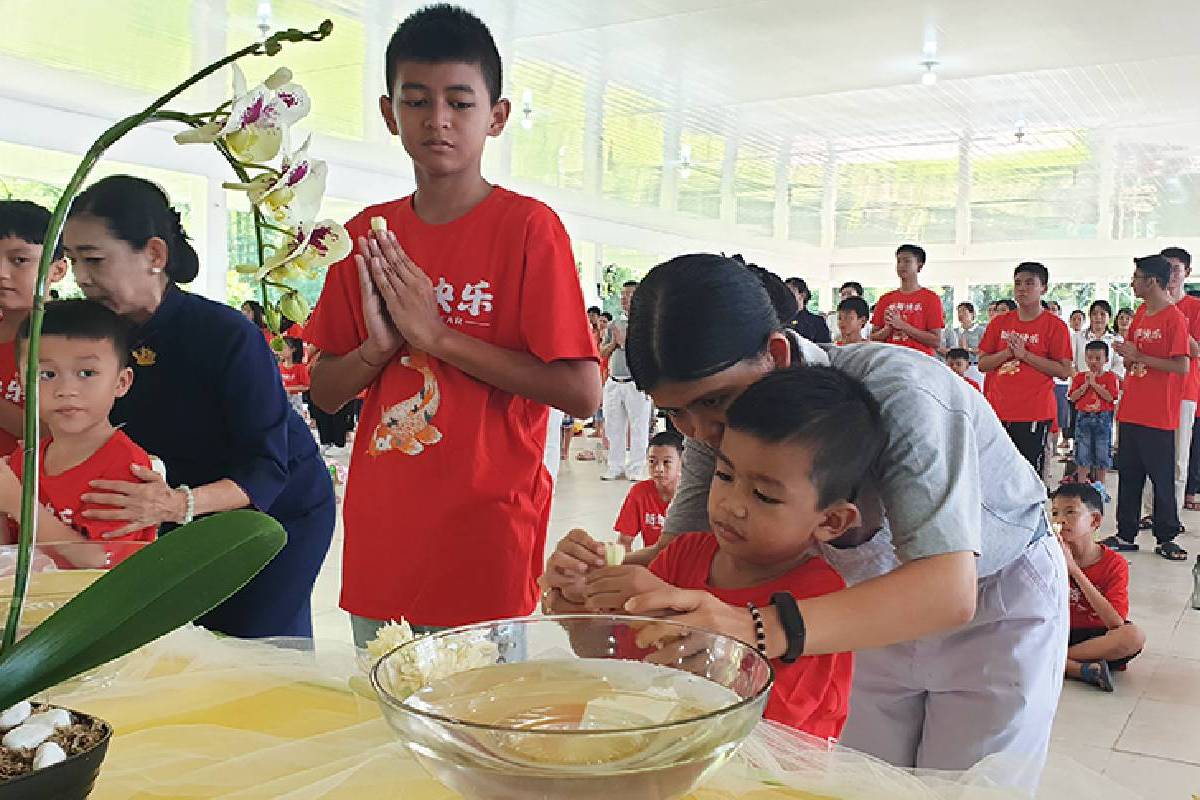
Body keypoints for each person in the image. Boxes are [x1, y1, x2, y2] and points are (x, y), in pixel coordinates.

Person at [544, 254, 1065, 786]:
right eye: (674, 413)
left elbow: (946, 592)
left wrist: (752, 628)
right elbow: (686, 557)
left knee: (968, 789)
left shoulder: (900, 392)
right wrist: (594, 585)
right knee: (866, 783)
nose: (699, 433)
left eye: (712, 402)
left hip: (992, 598)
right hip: (857, 604)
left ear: (773, 354)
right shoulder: (721, 421)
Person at [305, 5, 600, 645]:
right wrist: (378, 350)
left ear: (496, 117)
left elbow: (582, 390)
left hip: (486, 527)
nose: (437, 119)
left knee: (481, 727)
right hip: (385, 528)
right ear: (390, 114)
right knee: (384, 709)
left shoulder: (527, 230)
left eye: (459, 102)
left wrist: (438, 338)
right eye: (417, 101)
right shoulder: (364, 237)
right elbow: (324, 390)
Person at [61, 174, 336, 638]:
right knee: (180, 642)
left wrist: (176, 503)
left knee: (254, 646)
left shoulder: (224, 334)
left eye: (94, 260)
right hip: (166, 507)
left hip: (272, 509)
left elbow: (267, 466)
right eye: (71, 262)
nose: (81, 278)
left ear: (154, 255)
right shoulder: (96, 333)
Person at [566, 368, 860, 739]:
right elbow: (620, 661)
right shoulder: (684, 554)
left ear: (832, 521)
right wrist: (578, 608)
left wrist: (678, 623)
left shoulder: (820, 599)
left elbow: (774, 732)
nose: (732, 505)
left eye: (765, 496)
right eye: (724, 475)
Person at [0, 300, 156, 569]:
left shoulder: (125, 466)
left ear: (121, 382)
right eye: (47, 374)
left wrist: (18, 502)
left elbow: (97, 559)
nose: (66, 389)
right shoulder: (24, 458)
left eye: (86, 373)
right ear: (23, 383)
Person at [1107, 255, 1191, 561]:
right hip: (1131, 409)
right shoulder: (1141, 313)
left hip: (1159, 413)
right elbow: (1132, 359)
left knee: (1161, 477)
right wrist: (1129, 355)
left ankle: (1166, 535)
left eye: (1137, 277)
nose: (1133, 283)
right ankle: (1125, 533)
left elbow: (1181, 365)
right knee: (1129, 474)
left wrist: (1139, 356)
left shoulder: (1174, 318)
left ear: (1152, 281)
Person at [978, 263, 1073, 474]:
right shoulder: (999, 323)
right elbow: (983, 364)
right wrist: (1007, 354)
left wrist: (1026, 355)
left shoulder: (1055, 326)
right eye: (1018, 283)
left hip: (1034, 413)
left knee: (1029, 476)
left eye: (1030, 283)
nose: (1022, 289)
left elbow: (1064, 370)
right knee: (996, 475)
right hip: (998, 411)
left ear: (1044, 288)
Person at [1051, 484, 1144, 693]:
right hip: (1058, 630)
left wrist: (1074, 570)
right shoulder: (1047, 556)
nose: (1060, 520)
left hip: (1094, 639)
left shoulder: (1114, 563)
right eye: (1055, 513)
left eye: (1070, 512)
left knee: (1133, 636)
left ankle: (1058, 660)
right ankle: (1077, 668)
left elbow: (1115, 622)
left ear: (1094, 521)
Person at [0, 201, 69, 459]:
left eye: (19, 260)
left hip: (24, 491)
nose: (1, 273)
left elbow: (57, 433)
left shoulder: (69, 338)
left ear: (58, 270)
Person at [1138, 247, 1200, 524]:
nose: (1172, 274)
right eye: (1167, 268)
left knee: (1176, 459)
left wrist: (1172, 314)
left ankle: (1169, 516)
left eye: (1176, 269)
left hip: (1182, 390)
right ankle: (1151, 512)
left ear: (1187, 272)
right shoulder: (1146, 307)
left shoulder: (1193, 309)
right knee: (1150, 456)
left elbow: (1195, 350)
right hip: (1148, 390)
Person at [601, 280, 653, 481]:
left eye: (629, 295)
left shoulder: (645, 325)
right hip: (615, 382)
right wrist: (615, 342)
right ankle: (615, 465)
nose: (624, 299)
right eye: (622, 296)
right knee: (613, 426)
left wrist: (626, 344)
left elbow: (648, 353)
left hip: (636, 383)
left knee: (639, 427)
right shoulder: (615, 324)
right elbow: (602, 352)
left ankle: (636, 468)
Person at [613, 430, 683, 551]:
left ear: (681, 463)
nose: (659, 468)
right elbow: (624, 541)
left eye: (667, 462)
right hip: (651, 564)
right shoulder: (639, 492)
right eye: (652, 461)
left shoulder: (692, 495)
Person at [869, 244, 944, 355]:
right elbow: (873, 337)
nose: (901, 265)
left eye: (907, 261)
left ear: (919, 266)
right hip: (890, 359)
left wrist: (903, 325)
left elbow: (936, 341)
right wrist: (887, 329)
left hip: (920, 361)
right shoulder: (885, 299)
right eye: (898, 261)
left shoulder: (931, 299)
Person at [1068, 341, 1120, 485]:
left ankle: (1100, 485)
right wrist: (1086, 385)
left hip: (1103, 418)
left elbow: (1111, 397)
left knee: (1102, 450)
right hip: (1083, 417)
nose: (1093, 362)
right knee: (1082, 451)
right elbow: (1072, 397)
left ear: (1106, 360)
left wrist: (1095, 384)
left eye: (1098, 358)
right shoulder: (1079, 377)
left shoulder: (1110, 377)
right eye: (1090, 358)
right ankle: (1081, 483)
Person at [783, 277, 832, 344]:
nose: (786, 296)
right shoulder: (779, 320)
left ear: (802, 295)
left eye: (789, 292)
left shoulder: (817, 322)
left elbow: (826, 348)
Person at [278, 336, 310, 416]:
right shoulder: (278, 367)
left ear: (293, 349)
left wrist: (288, 389)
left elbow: (306, 386)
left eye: (284, 348)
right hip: (281, 400)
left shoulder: (300, 367)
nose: (281, 350)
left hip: (295, 401)